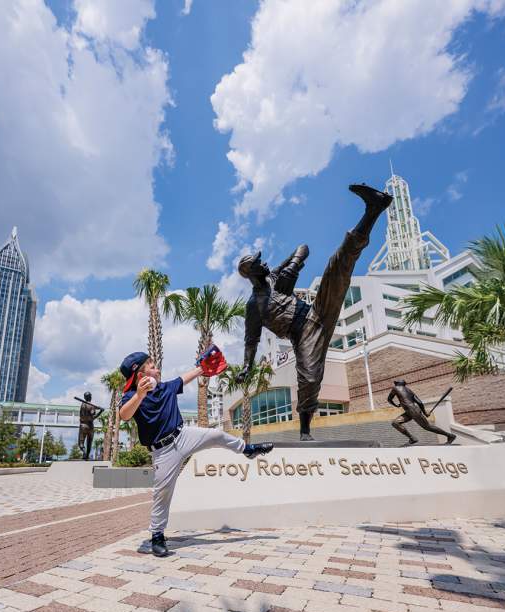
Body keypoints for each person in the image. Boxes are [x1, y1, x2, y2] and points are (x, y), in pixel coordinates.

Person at [238, 184, 393, 441]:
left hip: (317, 312)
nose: (264, 263)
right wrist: (246, 366)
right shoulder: (254, 306)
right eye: (258, 263)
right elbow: (250, 341)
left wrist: (295, 264)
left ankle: (374, 209)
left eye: (261, 260)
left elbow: (303, 247)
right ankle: (305, 431)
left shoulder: (275, 276)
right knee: (309, 379)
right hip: (302, 334)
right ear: (250, 273)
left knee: (338, 266)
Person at [119, 349, 274, 557]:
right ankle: (157, 535)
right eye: (153, 366)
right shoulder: (131, 396)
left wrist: (202, 368)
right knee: (162, 493)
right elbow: (124, 414)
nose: (157, 368)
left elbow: (185, 378)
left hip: (182, 435)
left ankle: (247, 449)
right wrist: (139, 395)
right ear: (140, 375)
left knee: (215, 434)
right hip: (163, 451)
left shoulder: (166, 387)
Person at [387, 380, 456, 445]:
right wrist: (425, 412)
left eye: (395, 383)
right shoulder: (409, 391)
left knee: (428, 427)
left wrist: (396, 405)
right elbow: (419, 402)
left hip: (412, 410)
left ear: (398, 384)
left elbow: (389, 399)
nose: (395, 384)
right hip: (411, 411)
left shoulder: (396, 388)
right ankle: (412, 438)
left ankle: (450, 435)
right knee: (395, 423)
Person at [79, 391, 103, 460]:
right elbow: (93, 416)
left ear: (84, 397)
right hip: (90, 426)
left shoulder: (82, 405)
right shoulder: (91, 406)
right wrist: (101, 411)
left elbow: (91, 409)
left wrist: (98, 408)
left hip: (83, 425)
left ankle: (84, 452)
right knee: (89, 443)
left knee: (81, 444)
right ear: (90, 397)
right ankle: (86, 456)